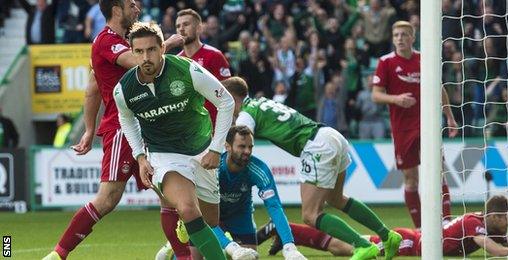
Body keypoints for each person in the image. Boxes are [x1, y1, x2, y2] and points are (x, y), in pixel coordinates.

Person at [43, 1, 184, 258]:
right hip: (122, 127)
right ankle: (57, 255)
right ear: (117, 9)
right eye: (131, 5)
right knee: (107, 199)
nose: (137, 9)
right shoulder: (106, 41)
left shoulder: (125, 40)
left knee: (170, 194)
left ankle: (181, 254)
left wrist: (88, 129)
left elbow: (92, 89)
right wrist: (167, 44)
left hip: (149, 124)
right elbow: (137, 63)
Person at [221, 76, 403, 260]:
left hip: (316, 146)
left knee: (310, 214)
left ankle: (363, 246)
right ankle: (388, 236)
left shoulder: (245, 114)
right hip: (331, 135)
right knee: (337, 199)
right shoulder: (260, 102)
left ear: (231, 97)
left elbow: (241, 139)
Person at [113, 22, 234, 259]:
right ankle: (184, 215)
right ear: (132, 52)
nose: (145, 57)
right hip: (164, 155)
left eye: (151, 50)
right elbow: (126, 120)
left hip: (201, 150)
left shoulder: (187, 70)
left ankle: (185, 224)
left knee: (209, 221)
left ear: (162, 48)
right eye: (139, 51)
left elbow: (226, 101)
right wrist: (140, 156)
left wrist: (216, 149)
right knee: (189, 209)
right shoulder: (124, 90)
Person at [157, 126, 306, 260]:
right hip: (210, 214)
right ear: (227, 147)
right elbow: (201, 213)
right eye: (242, 146)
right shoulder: (212, 167)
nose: (247, 151)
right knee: (193, 257)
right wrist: (233, 248)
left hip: (240, 217)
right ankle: (174, 247)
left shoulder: (259, 170)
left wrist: (289, 247)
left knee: (249, 258)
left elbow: (274, 207)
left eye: (250, 147)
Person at [261, 195, 508, 258]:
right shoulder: (474, 224)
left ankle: (288, 232)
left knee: (347, 244)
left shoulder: (490, 225)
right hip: (408, 243)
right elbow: (495, 250)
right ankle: (287, 229)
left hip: (411, 237)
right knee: (344, 248)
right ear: (494, 216)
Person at [371, 20, 458, 228]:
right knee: (411, 178)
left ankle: (446, 222)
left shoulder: (424, 59)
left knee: (438, 171)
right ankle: (421, 228)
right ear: (393, 39)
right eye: (396, 35)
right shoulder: (386, 62)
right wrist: (396, 99)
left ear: (412, 37)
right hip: (401, 129)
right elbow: (375, 95)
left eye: (404, 35)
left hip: (427, 126)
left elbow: (439, 88)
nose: (400, 38)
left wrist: (449, 116)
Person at [176, 8, 232, 127]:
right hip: (188, 130)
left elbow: (229, 92)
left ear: (199, 28)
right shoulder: (176, 61)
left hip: (214, 126)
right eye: (178, 26)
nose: (181, 29)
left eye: (186, 24)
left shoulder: (214, 55)